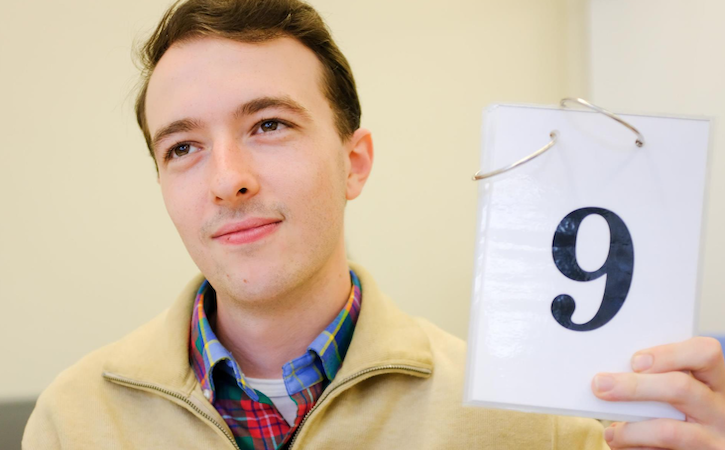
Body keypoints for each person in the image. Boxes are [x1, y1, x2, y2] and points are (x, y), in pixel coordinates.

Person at [22, 0, 725, 448]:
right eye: (183, 147)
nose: (226, 178)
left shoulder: (532, 422)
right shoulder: (73, 420)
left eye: (268, 124)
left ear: (354, 163)